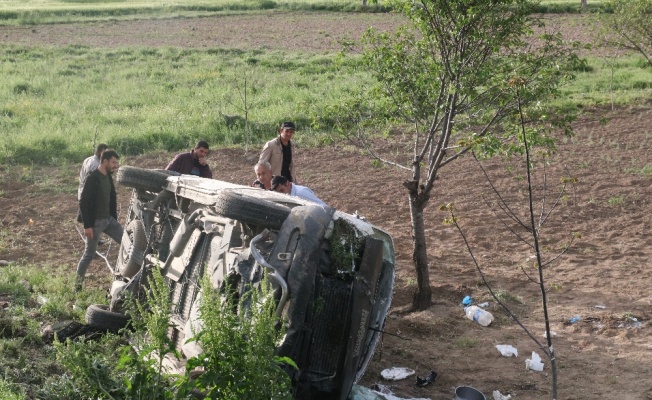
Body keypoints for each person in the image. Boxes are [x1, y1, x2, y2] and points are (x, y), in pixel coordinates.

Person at [75, 149, 124, 292]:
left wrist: (113, 218)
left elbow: (111, 198)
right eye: (114, 162)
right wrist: (87, 225)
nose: (116, 165)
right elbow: (83, 202)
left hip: (108, 220)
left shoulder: (108, 176)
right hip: (95, 224)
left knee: (127, 243)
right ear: (105, 161)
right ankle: (77, 286)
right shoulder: (92, 178)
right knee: (89, 255)